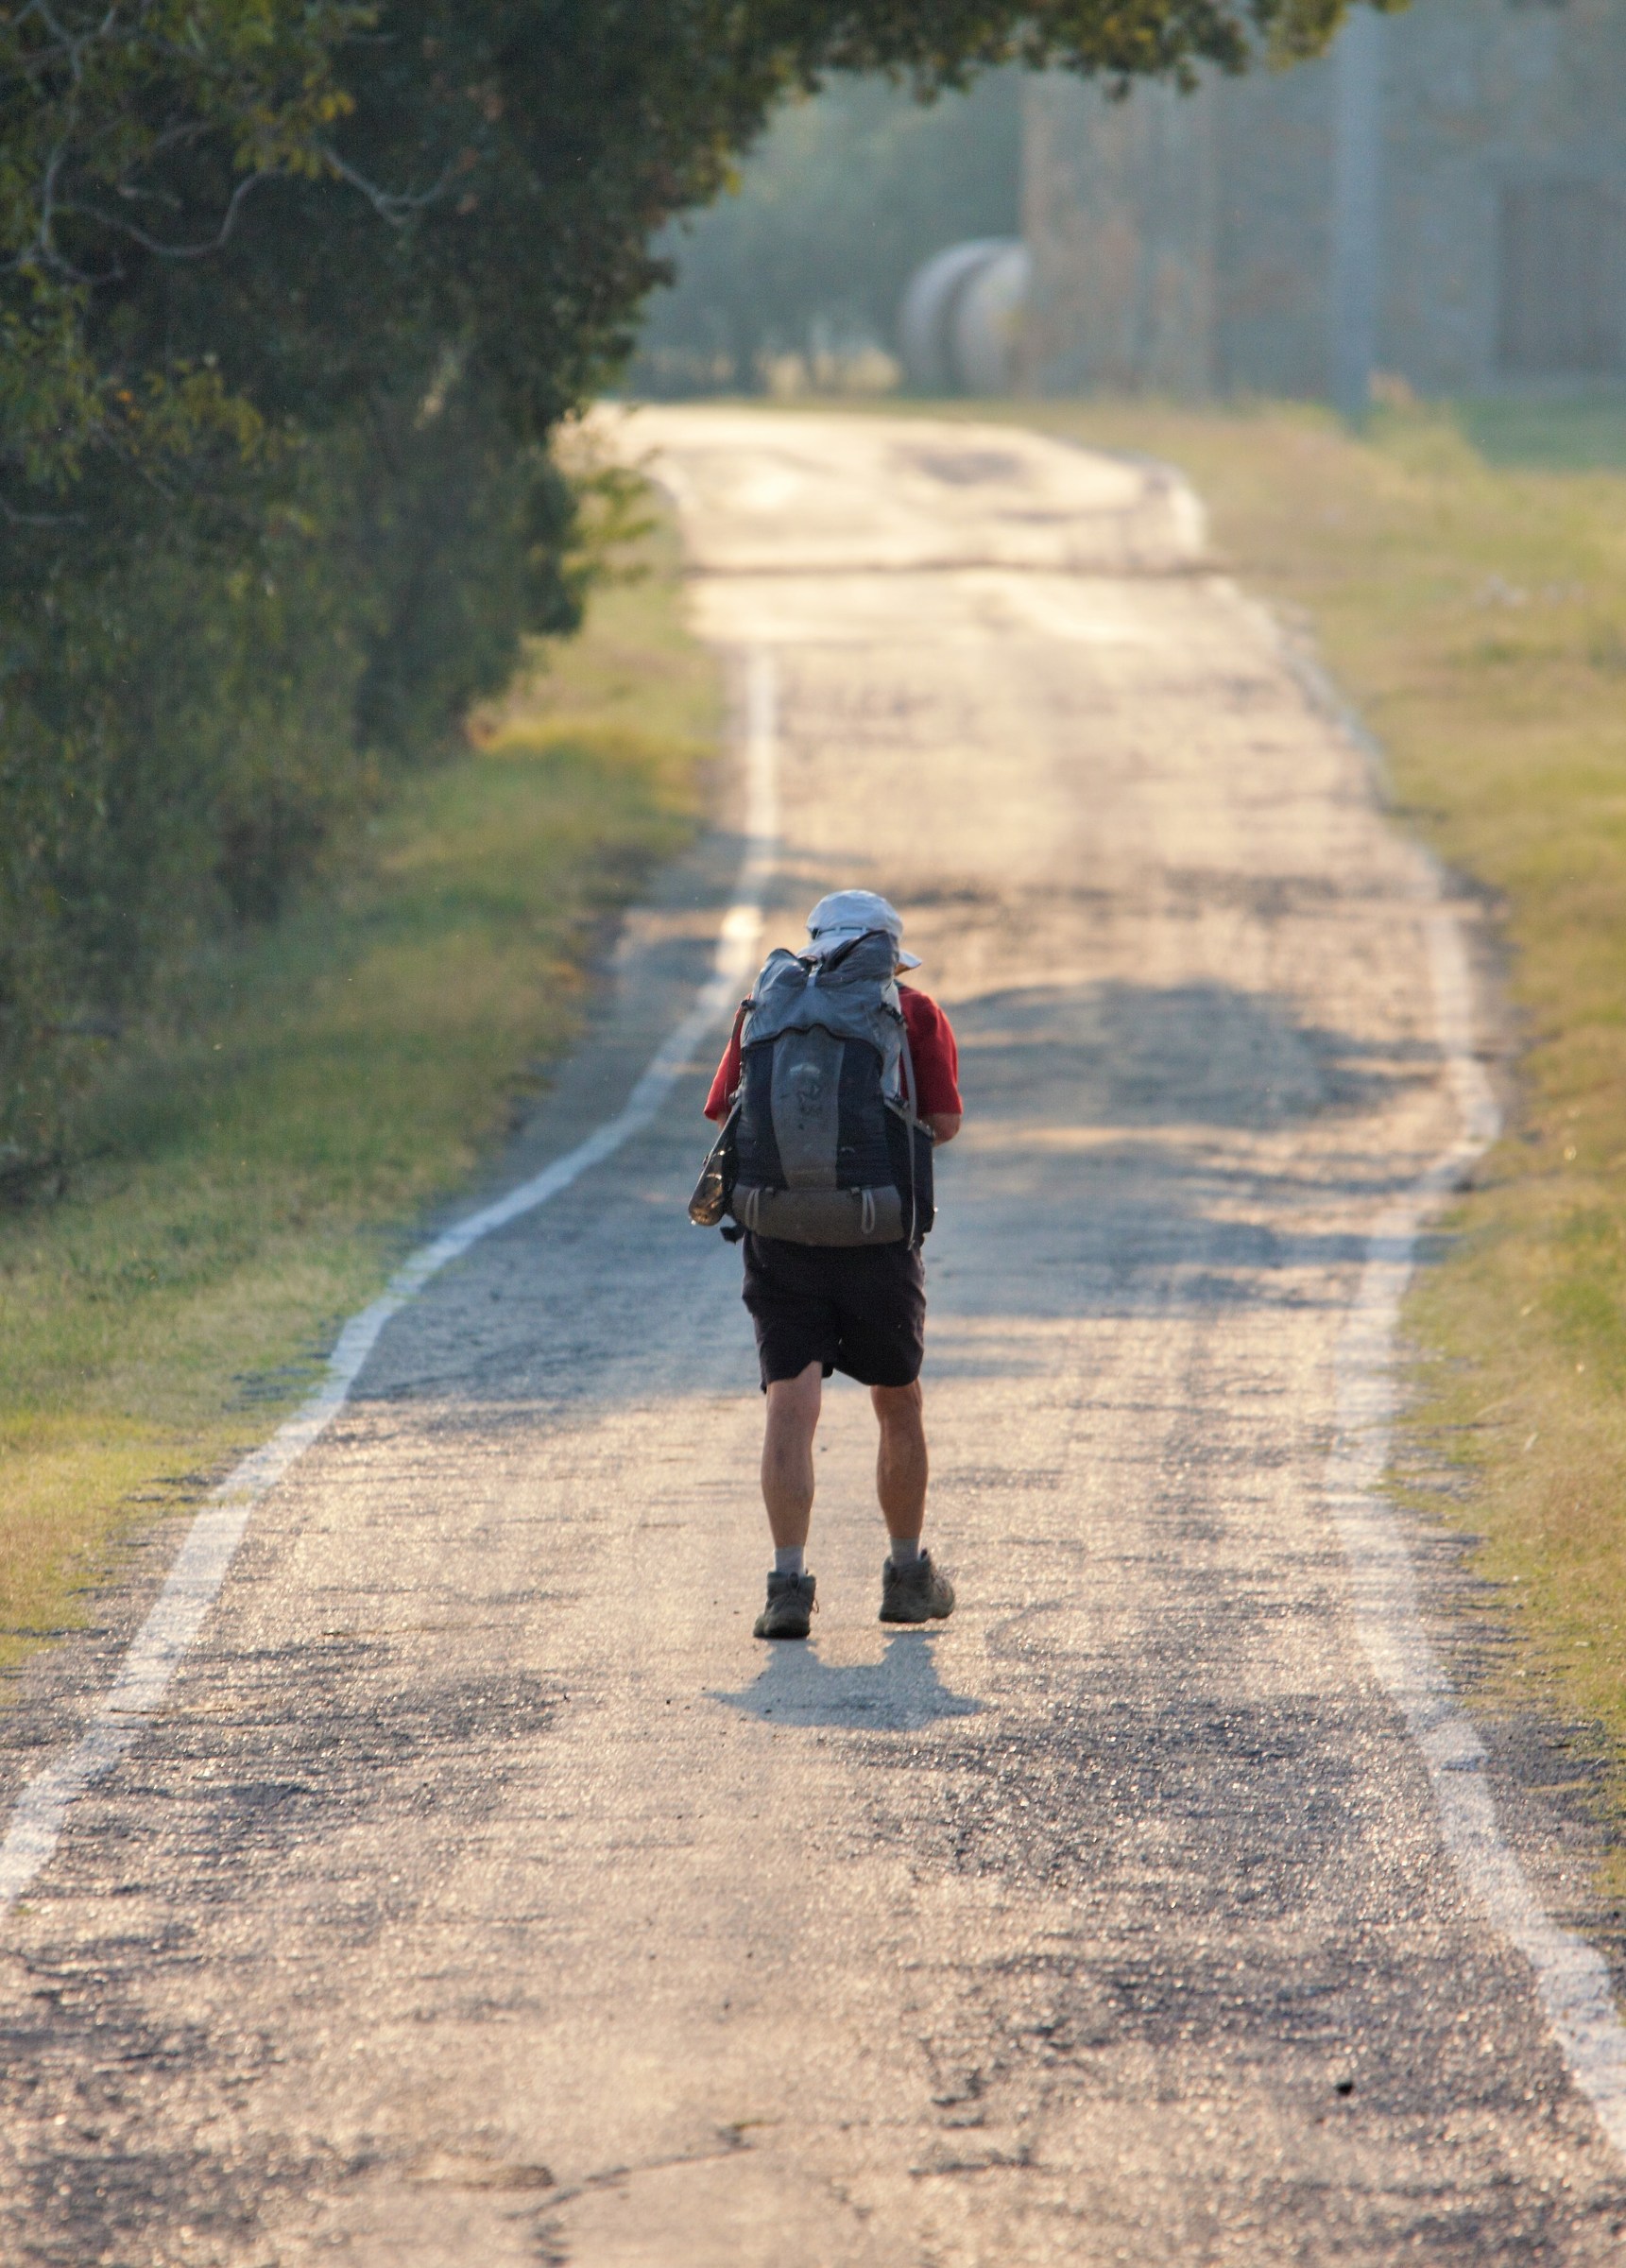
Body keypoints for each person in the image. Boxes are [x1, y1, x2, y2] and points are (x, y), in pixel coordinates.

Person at [703, 889, 963, 1641]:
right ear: (887, 951)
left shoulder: (765, 1006)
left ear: (816, 945)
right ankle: (907, 1576)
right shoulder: (912, 1014)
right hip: (876, 1234)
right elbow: (942, 1122)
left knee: (790, 1404)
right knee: (897, 1400)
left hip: (779, 1234)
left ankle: (787, 1586)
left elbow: (725, 1110)